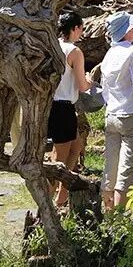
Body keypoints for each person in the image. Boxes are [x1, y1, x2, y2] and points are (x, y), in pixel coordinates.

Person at [100, 12, 133, 211]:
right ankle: (119, 219)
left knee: (110, 166)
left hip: (112, 114)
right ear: (125, 31)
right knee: (128, 170)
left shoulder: (109, 54)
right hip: (132, 113)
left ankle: (108, 212)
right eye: (132, 27)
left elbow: (105, 88)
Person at [47, 11, 92, 208]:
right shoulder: (74, 51)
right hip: (64, 106)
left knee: (76, 147)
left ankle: (62, 195)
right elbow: (82, 86)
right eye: (81, 28)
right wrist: (90, 80)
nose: (82, 32)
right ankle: (46, 204)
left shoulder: (53, 46)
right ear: (75, 28)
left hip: (52, 105)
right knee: (59, 157)